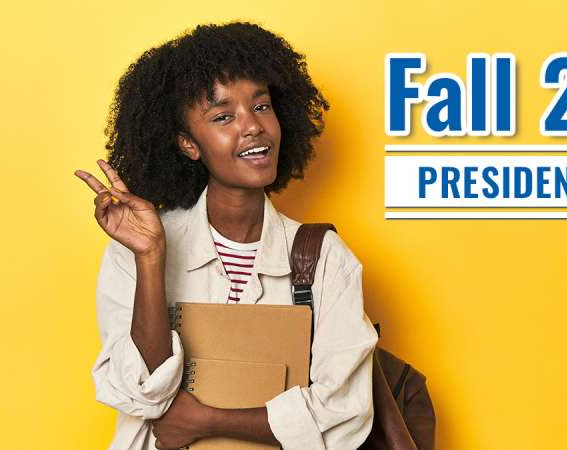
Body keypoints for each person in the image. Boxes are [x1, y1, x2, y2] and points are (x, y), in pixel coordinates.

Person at [73, 22, 379, 450]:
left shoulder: (324, 257)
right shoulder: (136, 248)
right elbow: (139, 391)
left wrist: (208, 420)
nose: (252, 126)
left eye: (261, 106)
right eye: (223, 116)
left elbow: (346, 415)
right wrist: (151, 257)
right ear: (188, 144)